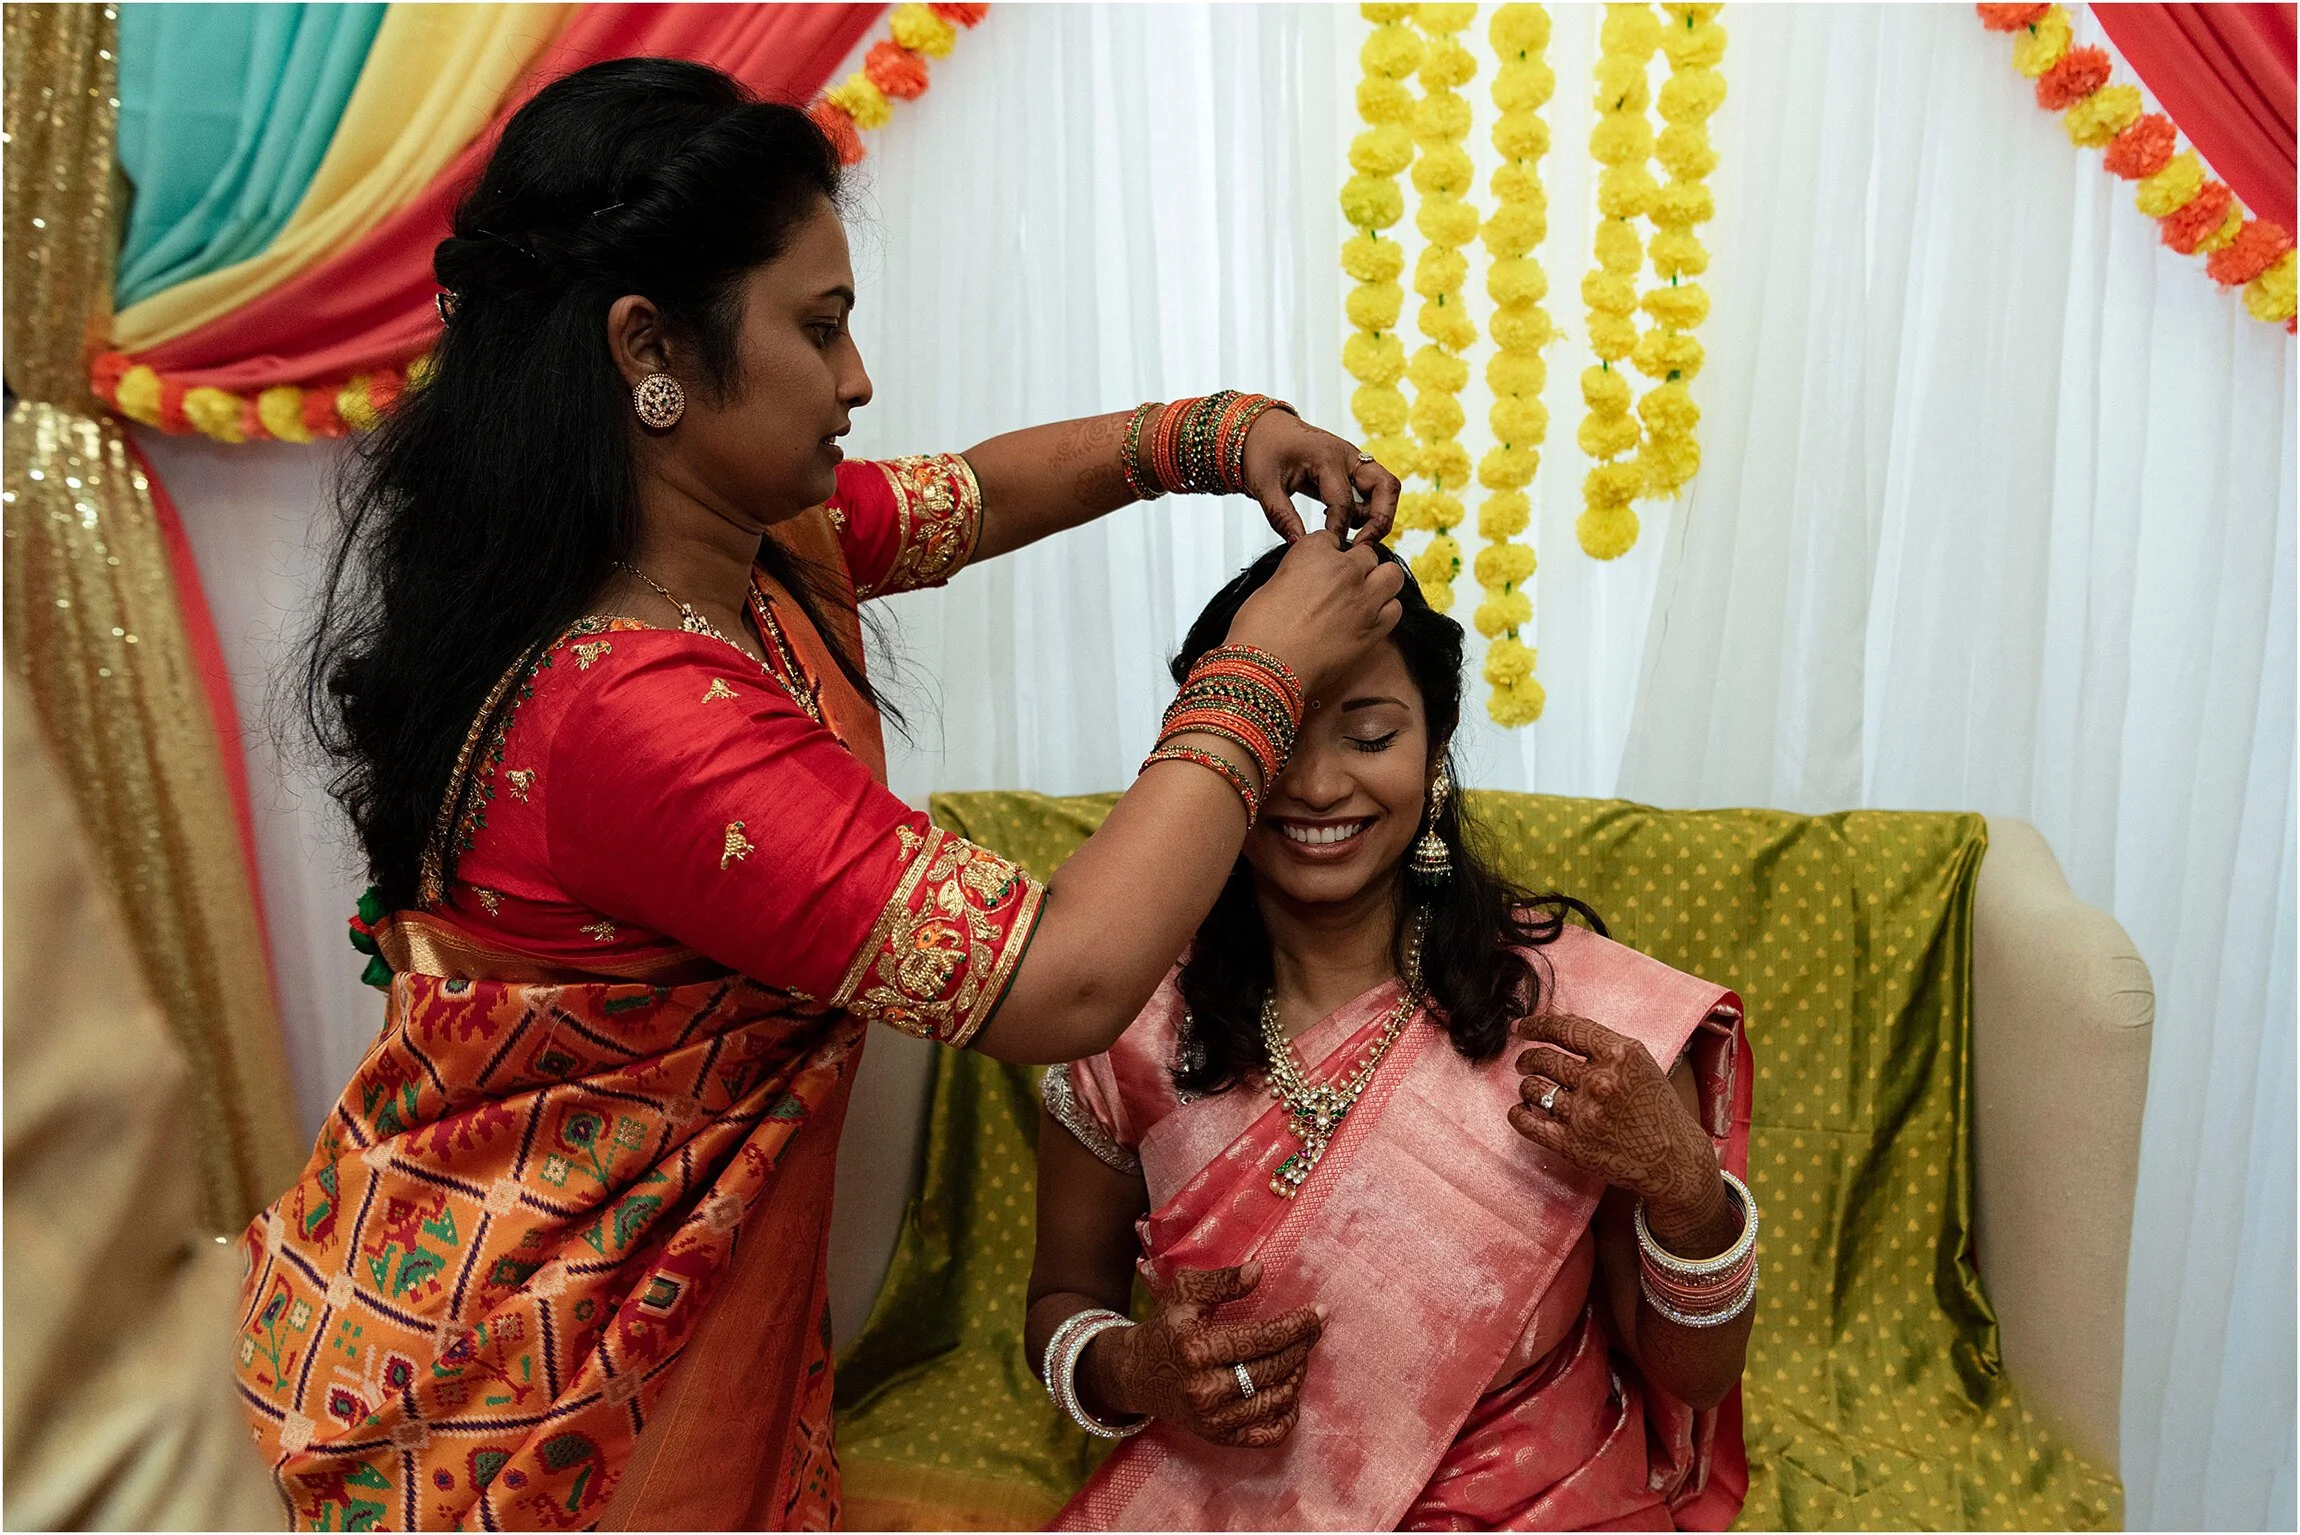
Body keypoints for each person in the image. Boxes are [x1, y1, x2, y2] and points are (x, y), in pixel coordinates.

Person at [233, 58, 1406, 1531]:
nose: (856, 380)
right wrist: (1262, 672)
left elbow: (967, 497)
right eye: (821, 327)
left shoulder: (740, 544)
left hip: (622, 1324)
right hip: (517, 1397)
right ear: (649, 347)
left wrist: (1215, 436)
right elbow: (1063, 979)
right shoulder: (634, 707)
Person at [1027, 542, 1758, 1531]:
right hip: (1234, 1499)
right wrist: (1129, 1366)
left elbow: (1694, 1374)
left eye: (1369, 735)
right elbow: (1064, 1297)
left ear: (1436, 750)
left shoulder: (1577, 1012)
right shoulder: (1122, 1016)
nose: (1319, 784)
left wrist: (1688, 1197)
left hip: (1542, 1501)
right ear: (1216, 749)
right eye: (1279, 735)